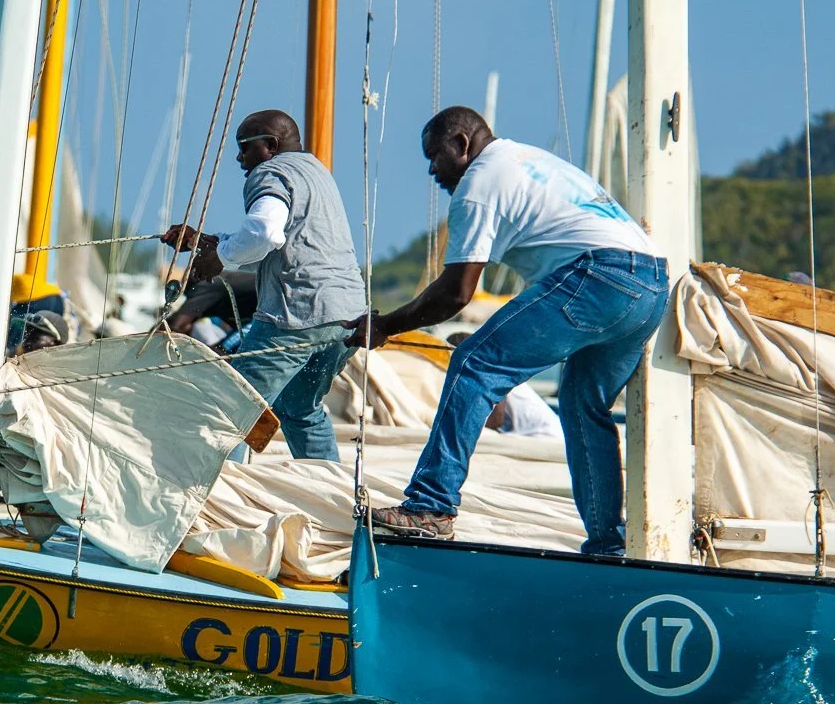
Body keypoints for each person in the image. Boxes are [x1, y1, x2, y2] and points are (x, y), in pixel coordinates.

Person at [348, 106, 667, 555]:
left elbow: (456, 294)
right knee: (581, 407)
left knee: (473, 364)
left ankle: (431, 507)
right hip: (650, 283)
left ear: (461, 144)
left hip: (600, 275)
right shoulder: (525, 159)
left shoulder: (479, 182)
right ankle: (608, 545)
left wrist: (385, 326)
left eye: (433, 155)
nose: (431, 169)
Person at [161, 109, 366, 462]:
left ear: (269, 145)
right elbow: (287, 238)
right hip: (346, 317)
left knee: (233, 410)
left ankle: (222, 505)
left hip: (296, 314)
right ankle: (329, 502)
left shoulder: (270, 172)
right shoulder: (316, 172)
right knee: (300, 409)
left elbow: (264, 232)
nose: (239, 158)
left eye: (244, 147)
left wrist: (220, 258)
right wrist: (207, 242)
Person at [445, 331, 563, 440]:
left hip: (544, 438)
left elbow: (495, 420)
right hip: (534, 435)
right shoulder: (490, 369)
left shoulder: (489, 373)